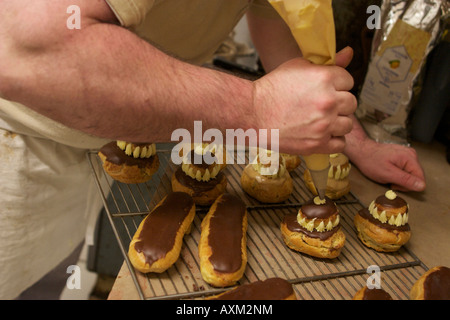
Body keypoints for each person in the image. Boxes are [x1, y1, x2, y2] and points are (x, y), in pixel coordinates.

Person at [0, 0, 425, 299]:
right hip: (18, 136)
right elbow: (26, 47)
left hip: (106, 139)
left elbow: (280, 37)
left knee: (63, 279)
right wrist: (256, 107)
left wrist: (353, 141)